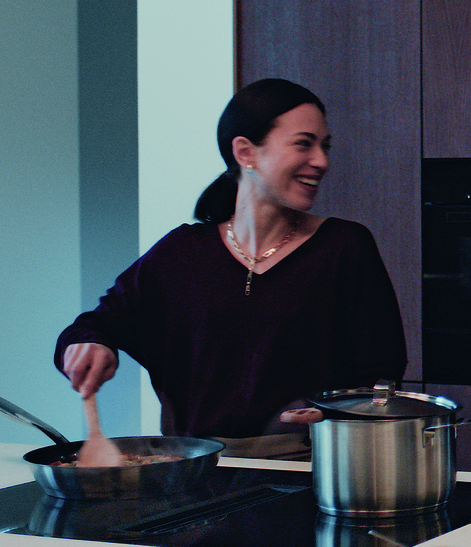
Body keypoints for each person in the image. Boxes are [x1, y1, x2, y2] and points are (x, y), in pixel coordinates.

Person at [56, 78, 407, 460]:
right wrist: (88, 344)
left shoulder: (345, 247)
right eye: (304, 144)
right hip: (191, 471)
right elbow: (93, 326)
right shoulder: (180, 253)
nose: (322, 161)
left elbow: (381, 376)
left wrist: (336, 413)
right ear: (245, 152)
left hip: (308, 471)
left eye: (325, 146)